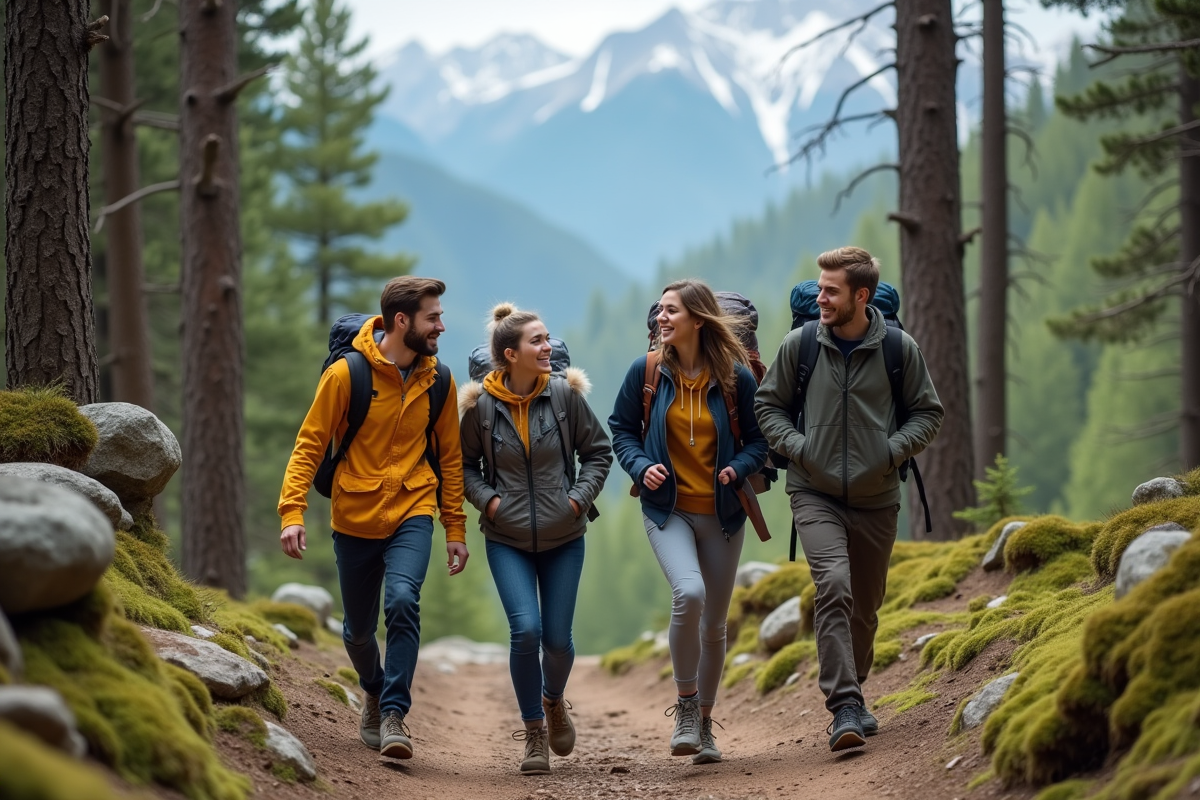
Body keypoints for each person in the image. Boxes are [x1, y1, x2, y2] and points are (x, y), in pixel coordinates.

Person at [754, 247, 944, 751]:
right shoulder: (801, 345)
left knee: (865, 607)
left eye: (831, 290)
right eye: (819, 288)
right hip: (813, 492)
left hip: (878, 495)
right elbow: (768, 406)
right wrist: (799, 449)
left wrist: (891, 450)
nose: (821, 297)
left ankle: (854, 692)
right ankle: (843, 706)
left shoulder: (899, 349)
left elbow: (928, 413)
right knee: (833, 586)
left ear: (861, 296)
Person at [277, 277, 469, 761]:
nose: (441, 326)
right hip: (355, 515)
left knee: (403, 600)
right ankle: (373, 687)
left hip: (413, 507)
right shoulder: (347, 375)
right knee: (358, 631)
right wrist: (292, 511)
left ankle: (394, 714)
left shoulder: (438, 380)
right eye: (433, 317)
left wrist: (454, 527)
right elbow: (310, 443)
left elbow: (449, 458)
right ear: (402, 321)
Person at [609, 279, 768, 764]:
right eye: (659, 312)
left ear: (697, 320)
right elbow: (620, 430)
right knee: (690, 594)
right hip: (667, 510)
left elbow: (762, 444)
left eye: (671, 312)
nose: (661, 319)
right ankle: (683, 707)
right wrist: (640, 466)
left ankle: (705, 722)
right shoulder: (648, 371)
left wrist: (738, 468)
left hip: (723, 514)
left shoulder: (737, 378)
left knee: (715, 626)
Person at [459, 303, 613, 775]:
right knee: (525, 631)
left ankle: (552, 700)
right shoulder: (480, 409)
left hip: (565, 534)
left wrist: (577, 501)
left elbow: (599, 452)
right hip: (506, 539)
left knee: (559, 643)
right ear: (510, 354)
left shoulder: (565, 399)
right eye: (538, 342)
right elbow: (462, 467)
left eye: (548, 340)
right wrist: (489, 502)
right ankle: (532, 733)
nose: (549, 348)